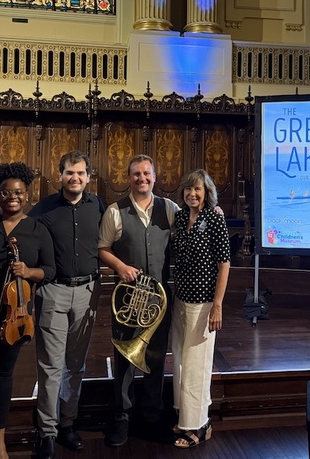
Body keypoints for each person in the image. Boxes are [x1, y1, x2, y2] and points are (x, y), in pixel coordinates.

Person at [0, 162, 56, 459]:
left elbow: (50, 271)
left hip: (16, 317)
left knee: (5, 377)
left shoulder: (37, 229)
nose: (12, 197)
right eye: (6, 192)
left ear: (27, 196)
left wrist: (29, 272)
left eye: (18, 192)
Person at [98, 154, 180, 447]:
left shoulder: (170, 208)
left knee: (156, 357)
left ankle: (152, 413)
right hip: (127, 302)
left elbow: (194, 225)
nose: (142, 178)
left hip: (159, 301)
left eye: (147, 174)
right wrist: (119, 267)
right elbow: (103, 248)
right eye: (136, 174)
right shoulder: (114, 211)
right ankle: (121, 415)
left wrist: (215, 210)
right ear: (128, 178)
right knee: (123, 356)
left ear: (155, 178)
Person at [28, 150, 105, 458]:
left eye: (81, 173)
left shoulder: (98, 205)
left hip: (87, 292)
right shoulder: (43, 208)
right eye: (69, 173)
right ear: (59, 175)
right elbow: (19, 232)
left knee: (76, 364)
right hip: (53, 291)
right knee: (50, 366)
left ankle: (67, 423)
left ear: (88, 177)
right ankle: (46, 431)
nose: (75, 178)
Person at [169, 169, 231, 448]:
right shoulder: (180, 217)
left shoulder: (215, 219)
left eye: (198, 190)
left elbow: (224, 264)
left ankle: (198, 426)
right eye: (188, 189)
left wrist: (217, 305)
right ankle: (187, 415)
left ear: (207, 193)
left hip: (203, 303)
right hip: (180, 299)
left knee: (197, 364)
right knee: (181, 360)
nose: (192, 194)